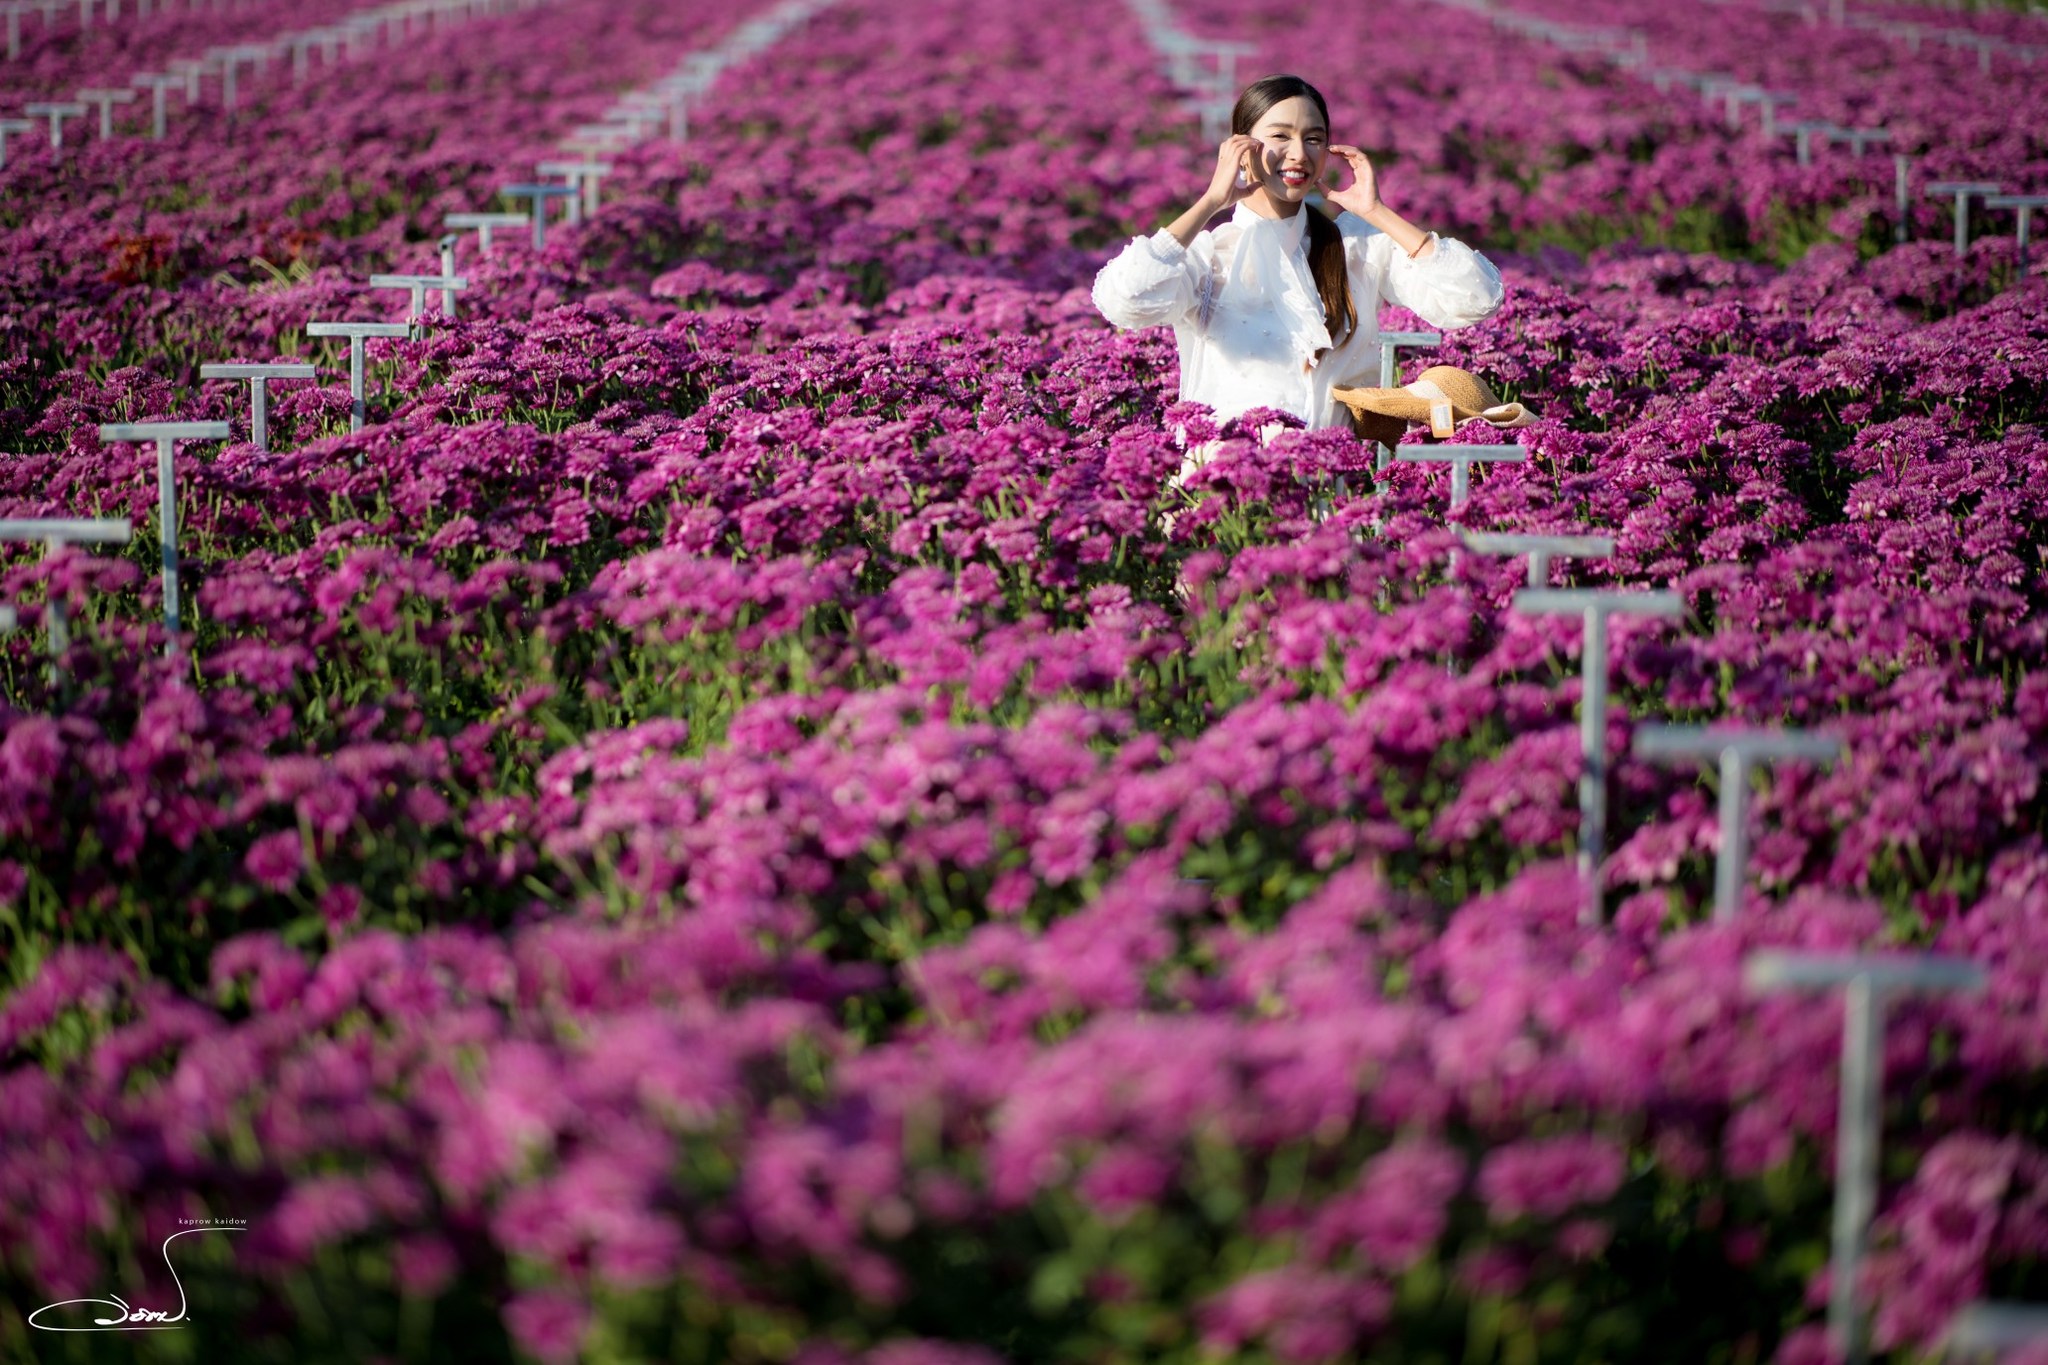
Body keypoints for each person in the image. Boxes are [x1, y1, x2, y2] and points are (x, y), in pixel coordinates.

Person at [1091, 74, 1505, 435]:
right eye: (1280, 135)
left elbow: (1474, 299)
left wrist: (1378, 213)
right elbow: (1125, 301)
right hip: (1229, 500)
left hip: (1335, 495)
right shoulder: (1209, 256)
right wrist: (1210, 201)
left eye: (1314, 139)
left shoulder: (1356, 246)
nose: (1299, 153)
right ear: (1240, 147)